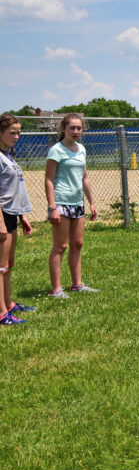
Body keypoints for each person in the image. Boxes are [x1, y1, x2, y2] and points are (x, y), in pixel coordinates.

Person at [44, 113, 98, 298]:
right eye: (72, 128)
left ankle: (77, 284)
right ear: (63, 129)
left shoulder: (81, 149)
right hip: (61, 202)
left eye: (79, 128)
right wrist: (52, 207)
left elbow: (85, 178)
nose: (76, 131)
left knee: (78, 243)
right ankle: (56, 289)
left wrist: (91, 202)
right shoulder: (56, 150)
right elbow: (49, 179)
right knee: (61, 246)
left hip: (77, 203)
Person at [0, 115, 33, 325]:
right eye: (12, 132)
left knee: (9, 264)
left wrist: (22, 215)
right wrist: (0, 223)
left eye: (19, 132)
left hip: (12, 214)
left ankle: (9, 303)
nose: (17, 136)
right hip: (2, 215)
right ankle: (2, 313)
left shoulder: (7, 155)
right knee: (1, 266)